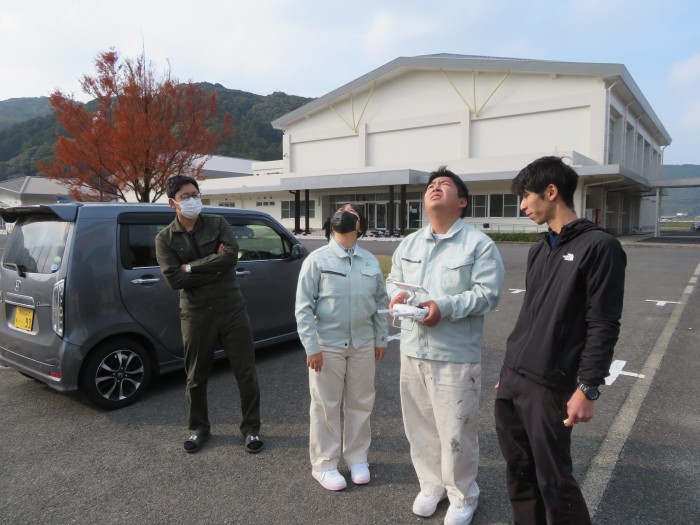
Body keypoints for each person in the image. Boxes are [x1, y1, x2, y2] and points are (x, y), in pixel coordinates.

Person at [494, 156, 626, 524]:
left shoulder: (599, 246)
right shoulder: (539, 249)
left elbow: (603, 322)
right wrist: (508, 370)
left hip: (551, 385)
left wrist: (588, 387)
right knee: (519, 470)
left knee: (555, 481)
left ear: (551, 192)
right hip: (514, 378)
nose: (522, 205)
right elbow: (530, 314)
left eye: (526, 196)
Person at [386, 166, 504, 525]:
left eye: (445, 184)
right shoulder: (410, 243)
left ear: (462, 201)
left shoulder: (478, 244)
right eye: (431, 185)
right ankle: (431, 485)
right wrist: (397, 296)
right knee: (420, 427)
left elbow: (488, 293)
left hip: (454, 355)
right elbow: (393, 279)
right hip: (412, 350)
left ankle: (463, 495)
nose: (435, 188)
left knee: (456, 430)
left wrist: (444, 306)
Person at [155, 175, 264, 455]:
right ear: (172, 203)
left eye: (195, 194)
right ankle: (198, 429)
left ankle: (251, 428)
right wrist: (213, 267)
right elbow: (174, 280)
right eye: (186, 196)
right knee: (195, 376)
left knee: (246, 372)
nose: (193, 200)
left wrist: (190, 267)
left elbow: (230, 258)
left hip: (231, 309)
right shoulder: (165, 238)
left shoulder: (217, 223)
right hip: (196, 314)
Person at [295, 203, 389, 491]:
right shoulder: (317, 260)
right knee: (326, 406)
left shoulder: (369, 261)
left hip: (363, 344)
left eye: (351, 211)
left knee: (361, 403)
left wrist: (381, 338)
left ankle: (358, 458)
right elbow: (303, 307)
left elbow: (380, 302)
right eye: (340, 210)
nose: (344, 213)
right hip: (328, 346)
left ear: (360, 225)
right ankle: (324, 464)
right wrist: (312, 347)